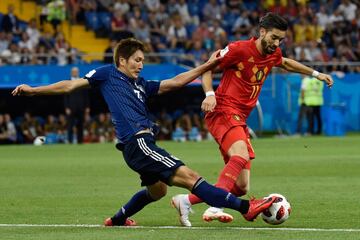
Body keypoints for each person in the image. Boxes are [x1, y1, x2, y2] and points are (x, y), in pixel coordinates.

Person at [12, 38, 277, 226]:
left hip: (137, 146)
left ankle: (117, 220)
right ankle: (247, 207)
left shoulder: (140, 84)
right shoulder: (106, 74)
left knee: (158, 191)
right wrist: (34, 90)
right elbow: (70, 85)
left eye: (143, 61)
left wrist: (206, 67)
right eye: (137, 60)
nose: (141, 65)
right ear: (122, 60)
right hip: (139, 143)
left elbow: (173, 83)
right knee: (190, 177)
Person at [171, 13, 334, 227]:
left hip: (239, 116)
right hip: (223, 110)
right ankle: (216, 206)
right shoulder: (239, 49)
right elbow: (208, 66)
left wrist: (316, 73)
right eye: (274, 38)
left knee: (241, 186)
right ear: (262, 32)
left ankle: (186, 201)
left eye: (281, 40)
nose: (276, 44)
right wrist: (209, 94)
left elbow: (285, 62)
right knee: (241, 154)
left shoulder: (273, 53)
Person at [64, 67, 90, 144]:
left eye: (76, 71)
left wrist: (87, 107)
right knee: (70, 125)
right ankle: (69, 141)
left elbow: (86, 96)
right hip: (71, 108)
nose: (75, 73)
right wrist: (66, 107)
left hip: (81, 107)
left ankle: (80, 141)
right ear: (71, 72)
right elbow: (65, 96)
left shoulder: (82, 81)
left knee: (80, 125)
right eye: (73, 71)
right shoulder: (68, 82)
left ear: (78, 72)